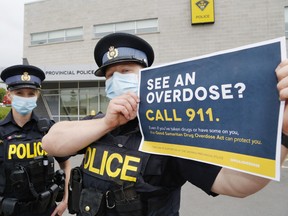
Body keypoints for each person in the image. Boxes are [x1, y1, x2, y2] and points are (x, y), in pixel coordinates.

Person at [42, 33, 288, 216]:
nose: (116, 80)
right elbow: (51, 142)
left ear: (148, 76)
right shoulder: (97, 124)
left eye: (125, 70)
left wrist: (284, 132)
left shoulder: (169, 129)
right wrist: (107, 123)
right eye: (109, 76)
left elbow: (237, 182)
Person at [0, 65, 71, 216]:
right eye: (19, 93)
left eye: (30, 93)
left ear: (37, 95)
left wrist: (65, 199)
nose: (25, 98)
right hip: (8, 211)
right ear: (9, 94)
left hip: (45, 210)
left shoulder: (48, 128)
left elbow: (66, 163)